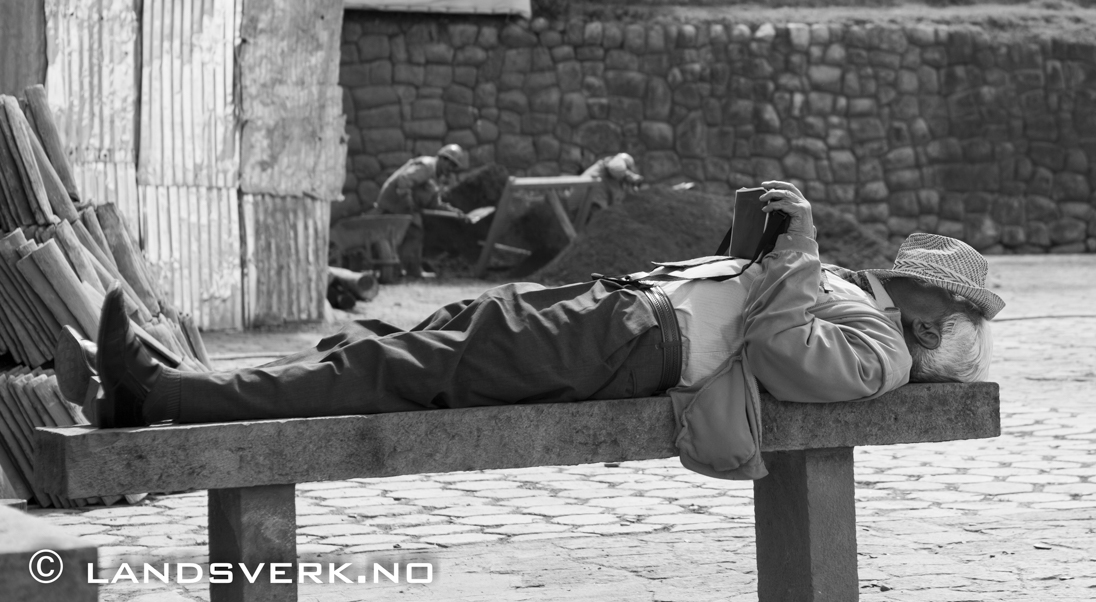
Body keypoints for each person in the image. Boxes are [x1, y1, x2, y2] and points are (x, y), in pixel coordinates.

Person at [93, 182, 1004, 480]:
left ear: (936, 318)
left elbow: (780, 349)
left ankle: (163, 393)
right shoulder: (861, 303)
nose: (898, 275)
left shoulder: (880, 356)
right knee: (393, 349)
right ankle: (171, 383)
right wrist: (754, 240)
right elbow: (755, 294)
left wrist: (796, 250)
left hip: (626, 344)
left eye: (921, 285)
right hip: (614, 316)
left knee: (397, 368)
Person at [374, 144, 469, 277]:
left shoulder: (435, 177)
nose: (451, 169)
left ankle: (407, 269)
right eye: (450, 164)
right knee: (414, 232)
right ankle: (409, 270)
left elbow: (434, 203)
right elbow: (403, 180)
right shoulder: (427, 166)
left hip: (405, 207)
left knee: (415, 232)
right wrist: (409, 204)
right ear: (442, 159)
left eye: (454, 166)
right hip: (394, 203)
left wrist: (454, 212)